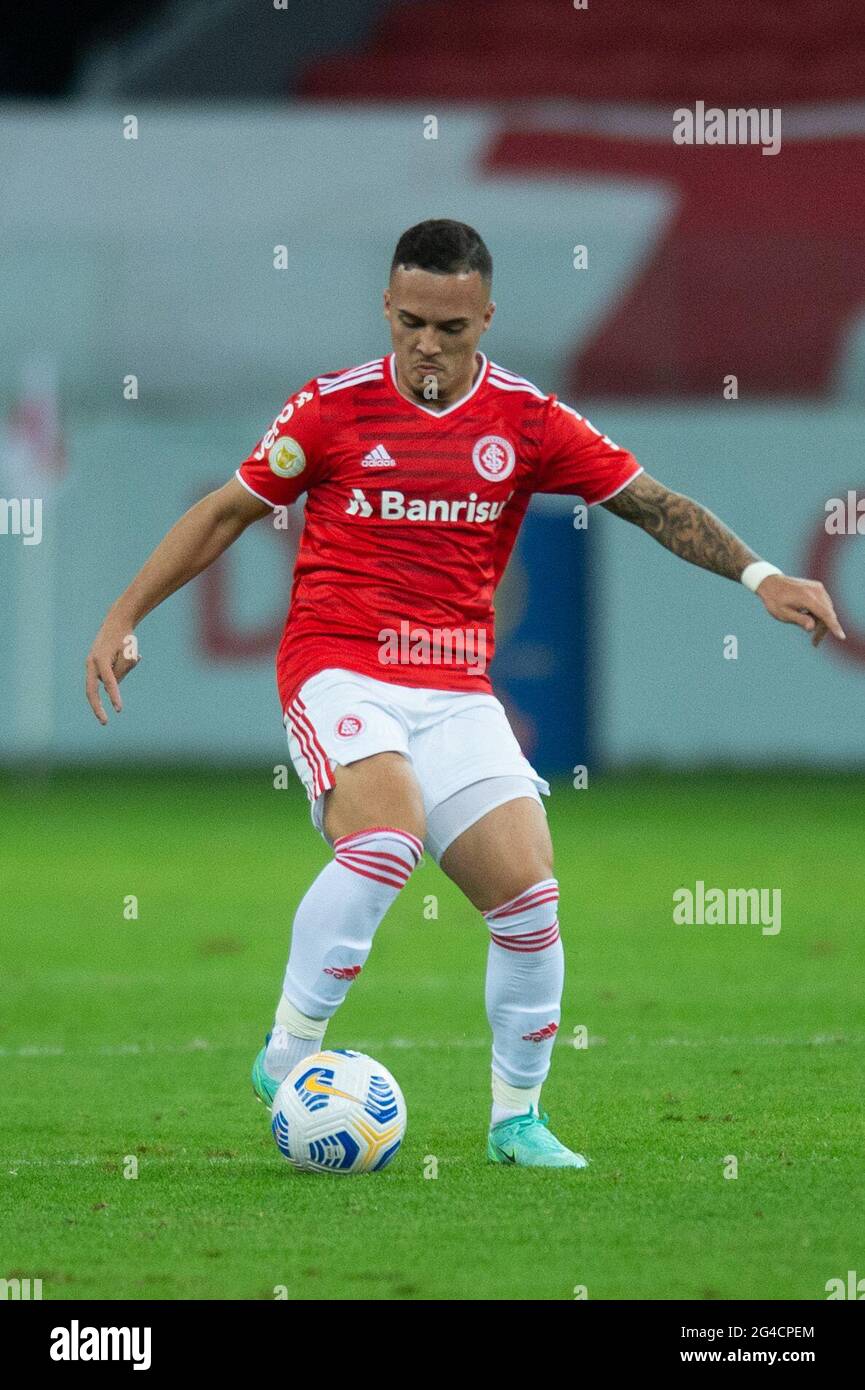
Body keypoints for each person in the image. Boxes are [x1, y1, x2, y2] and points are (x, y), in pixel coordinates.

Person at [86, 219, 844, 1168]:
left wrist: (761, 576)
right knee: (387, 839)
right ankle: (287, 1052)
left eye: (453, 328)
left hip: (453, 687)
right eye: (412, 323)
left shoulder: (527, 422)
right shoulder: (331, 411)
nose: (430, 346)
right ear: (387, 310)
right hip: (338, 666)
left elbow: (654, 504)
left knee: (529, 898)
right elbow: (227, 511)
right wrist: (124, 614)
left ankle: (515, 1121)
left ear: (487, 317)